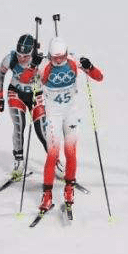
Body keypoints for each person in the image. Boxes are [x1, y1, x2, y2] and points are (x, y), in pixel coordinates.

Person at [36, 37, 103, 213]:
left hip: (71, 113)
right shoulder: (44, 66)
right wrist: (32, 66)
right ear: (50, 56)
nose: (58, 61)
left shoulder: (73, 61)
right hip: (53, 115)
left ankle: (69, 189)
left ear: (66, 53)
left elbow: (99, 77)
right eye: (55, 58)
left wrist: (90, 67)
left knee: (71, 152)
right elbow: (27, 79)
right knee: (52, 155)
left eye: (61, 57)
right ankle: (47, 194)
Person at [0, 34, 48, 179]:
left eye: (25, 56)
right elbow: (0, 74)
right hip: (16, 93)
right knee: (19, 125)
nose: (21, 58)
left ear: (32, 52)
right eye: (19, 54)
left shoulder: (41, 61)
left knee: (42, 131)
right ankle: (19, 162)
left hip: (35, 94)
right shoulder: (10, 58)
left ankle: (54, 162)